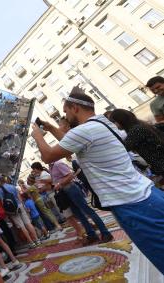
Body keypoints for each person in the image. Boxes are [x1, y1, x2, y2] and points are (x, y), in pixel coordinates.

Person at [30, 86, 164, 273]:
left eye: (66, 111)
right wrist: (51, 128)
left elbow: (48, 156)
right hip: (147, 194)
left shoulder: (84, 131)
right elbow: (73, 143)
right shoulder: (102, 123)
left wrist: (37, 135)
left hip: (131, 203)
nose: (65, 116)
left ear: (75, 108)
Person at [49, 158, 113, 245]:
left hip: (71, 188)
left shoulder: (57, 164)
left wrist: (59, 184)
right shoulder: (51, 167)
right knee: (79, 215)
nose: (42, 157)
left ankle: (106, 233)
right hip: (64, 192)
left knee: (87, 211)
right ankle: (91, 235)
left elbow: (70, 175)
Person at [109, 109, 164, 178]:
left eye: (114, 122)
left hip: (160, 163)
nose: (114, 125)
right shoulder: (139, 125)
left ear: (120, 120)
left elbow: (123, 149)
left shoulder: (135, 130)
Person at [0, 177, 40, 248]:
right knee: (28, 223)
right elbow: (19, 196)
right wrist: (23, 205)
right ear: (5, 180)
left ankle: (31, 242)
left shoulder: (0, 190)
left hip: (12, 209)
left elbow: (2, 202)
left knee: (22, 226)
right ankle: (37, 240)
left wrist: (7, 211)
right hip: (20, 205)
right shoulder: (12, 186)